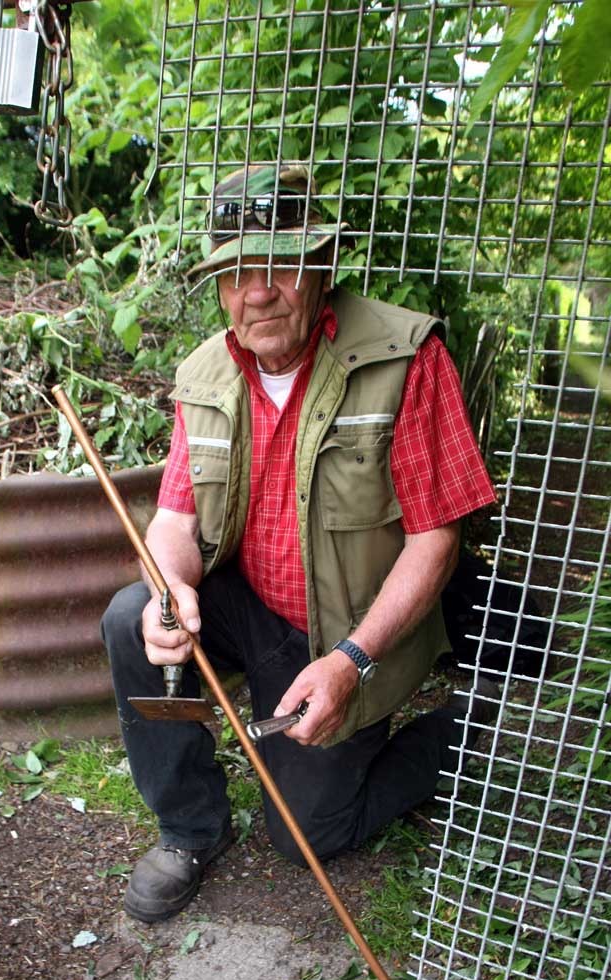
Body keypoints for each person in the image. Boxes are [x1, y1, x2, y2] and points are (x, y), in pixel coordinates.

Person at [101, 163, 497, 924]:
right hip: (252, 608)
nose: (259, 291)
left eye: (280, 263)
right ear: (220, 285)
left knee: (308, 834)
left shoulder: (403, 357)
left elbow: (435, 538)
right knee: (130, 616)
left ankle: (467, 730)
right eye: (237, 271)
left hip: (349, 635)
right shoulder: (204, 373)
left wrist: (352, 661)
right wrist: (172, 589)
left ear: (322, 265)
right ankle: (189, 827)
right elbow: (175, 521)